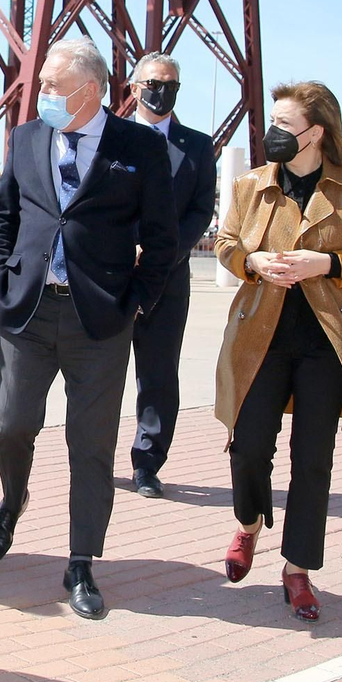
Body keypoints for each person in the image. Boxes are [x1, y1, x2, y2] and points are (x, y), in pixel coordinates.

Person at [0, 37, 177, 620]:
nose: (39, 92)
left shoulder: (139, 146)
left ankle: (82, 561)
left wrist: (135, 303)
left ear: (89, 91)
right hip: (28, 310)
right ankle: (11, 502)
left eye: (50, 85)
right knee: (11, 424)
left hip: (100, 320)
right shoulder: (26, 138)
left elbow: (162, 240)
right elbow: (4, 215)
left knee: (90, 444)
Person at [214, 81, 342, 623]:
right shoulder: (251, 185)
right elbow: (225, 243)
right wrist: (252, 263)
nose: (274, 133)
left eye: (285, 125)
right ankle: (248, 524)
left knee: (313, 460)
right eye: (274, 122)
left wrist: (328, 264)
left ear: (317, 133)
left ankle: (298, 569)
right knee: (248, 448)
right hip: (259, 338)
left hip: (327, 341)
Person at [124, 53, 216, 499]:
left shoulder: (197, 146)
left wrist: (163, 255)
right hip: (112, 275)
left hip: (168, 278)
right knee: (98, 371)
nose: (161, 92)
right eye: (153, 84)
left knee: (159, 373)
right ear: (134, 87)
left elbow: (200, 210)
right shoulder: (108, 136)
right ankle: (93, 457)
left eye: (170, 85)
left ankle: (147, 462)